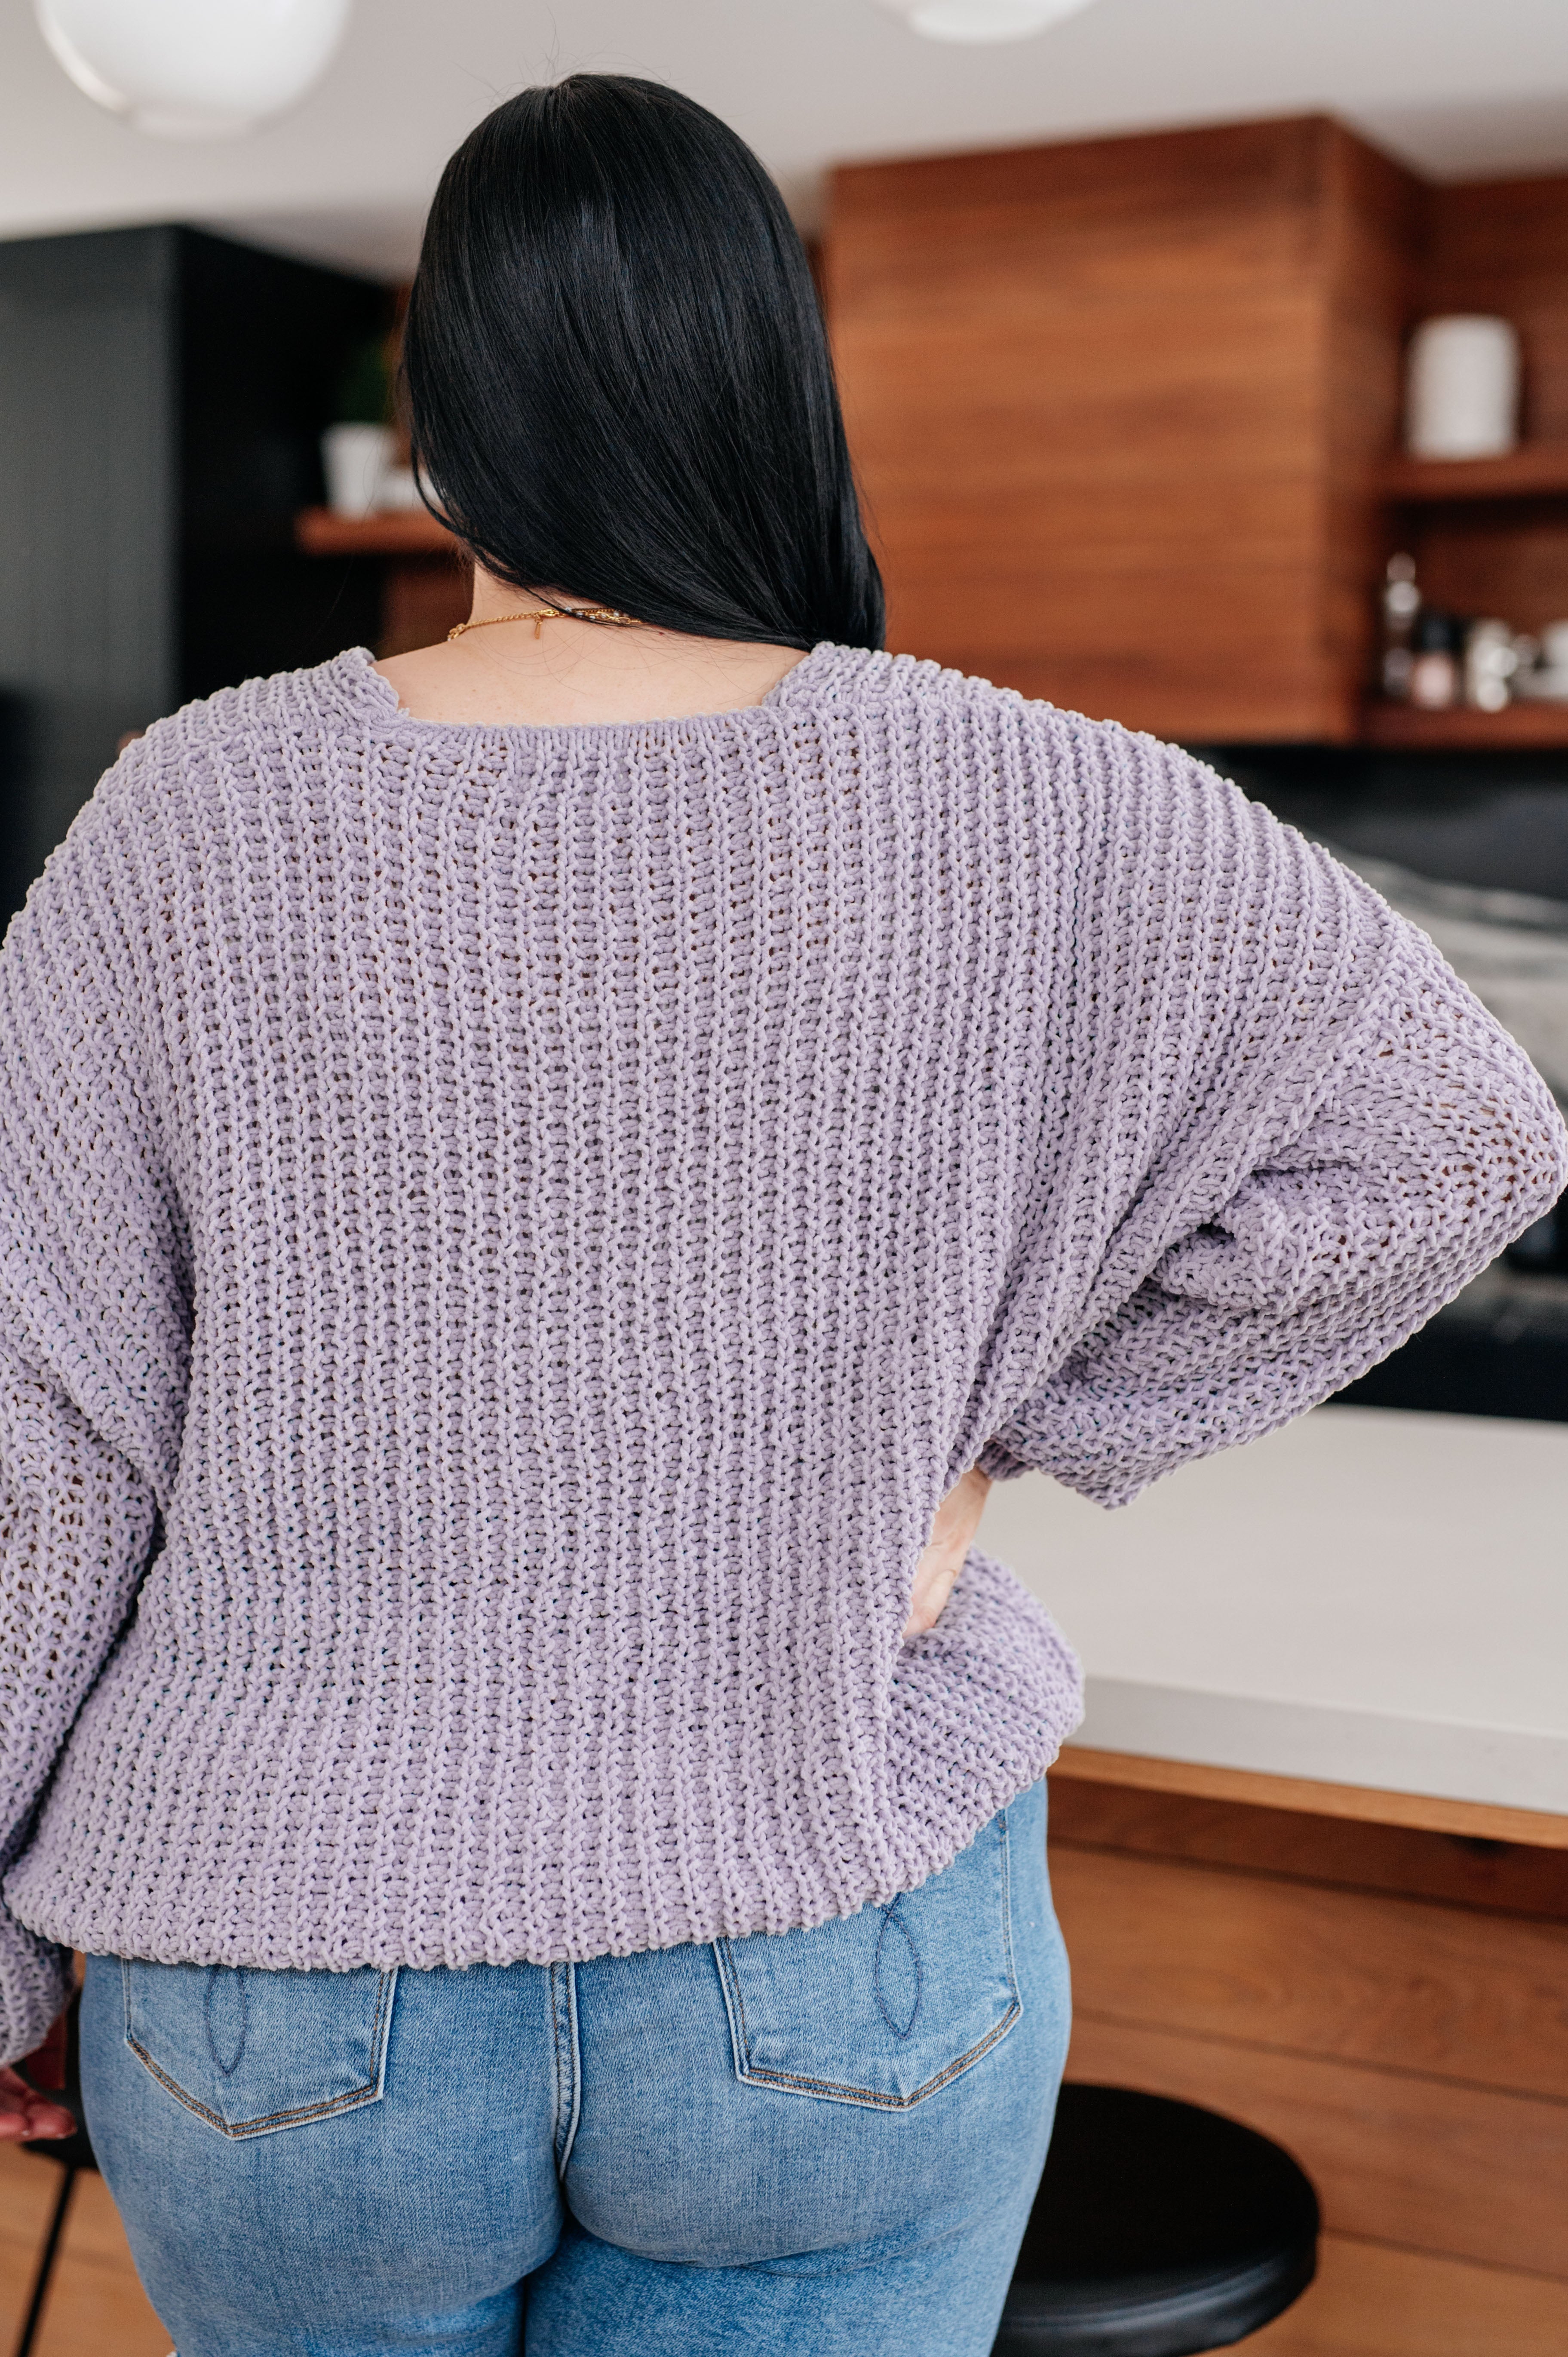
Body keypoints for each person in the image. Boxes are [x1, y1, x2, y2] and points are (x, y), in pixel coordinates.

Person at [0, 72, 1562, 2357]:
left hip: (273, 1988)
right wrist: (1002, 1441)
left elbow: (39, 1443)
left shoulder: (187, 819)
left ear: (438, 424)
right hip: (833, 1941)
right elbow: (1459, 1142)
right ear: (772, 380)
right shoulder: (1033, 790)